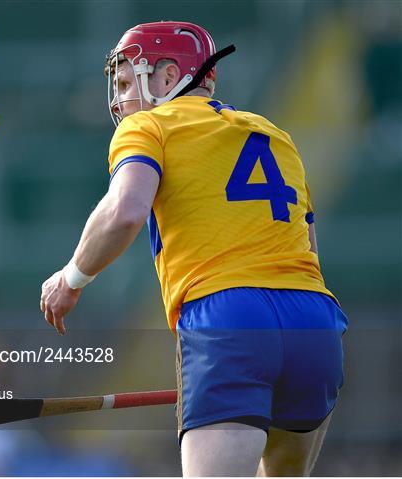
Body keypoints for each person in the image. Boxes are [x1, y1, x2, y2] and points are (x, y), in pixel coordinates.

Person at [40, 21, 348, 477]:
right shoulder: (275, 134)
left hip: (228, 315)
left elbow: (125, 209)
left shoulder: (149, 125)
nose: (118, 100)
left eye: (126, 83)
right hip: (314, 320)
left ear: (167, 78)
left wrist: (72, 277)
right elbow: (309, 247)